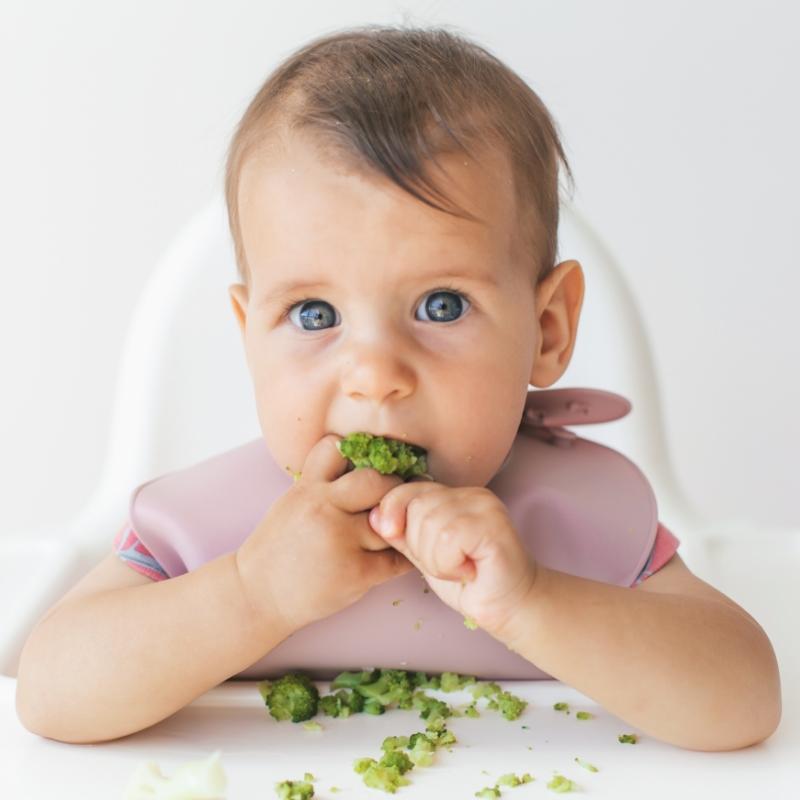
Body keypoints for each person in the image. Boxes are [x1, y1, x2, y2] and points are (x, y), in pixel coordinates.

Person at [16, 24, 780, 749]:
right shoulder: (218, 533)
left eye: (440, 307)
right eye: (314, 313)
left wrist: (533, 601)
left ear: (546, 331)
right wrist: (253, 594)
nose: (375, 375)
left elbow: (744, 700)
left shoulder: (577, 522)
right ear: (251, 336)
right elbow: (49, 692)